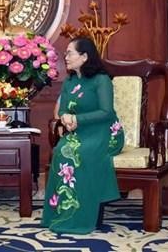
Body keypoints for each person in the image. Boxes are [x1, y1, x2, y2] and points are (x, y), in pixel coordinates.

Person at [41, 36, 125, 234]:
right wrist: (65, 119)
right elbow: (62, 109)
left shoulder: (101, 80)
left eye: (70, 53)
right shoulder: (69, 81)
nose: (66, 57)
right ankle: (61, 213)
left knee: (82, 154)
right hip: (79, 132)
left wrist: (77, 120)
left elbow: (106, 113)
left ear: (85, 56)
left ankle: (82, 216)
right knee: (61, 151)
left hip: (106, 132)